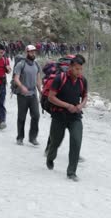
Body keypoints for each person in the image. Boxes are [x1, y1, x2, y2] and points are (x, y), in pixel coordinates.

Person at [45, 54, 88, 182]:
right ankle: (50, 157)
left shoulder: (82, 81)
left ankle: (71, 172)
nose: (79, 72)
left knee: (76, 141)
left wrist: (80, 105)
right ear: (70, 67)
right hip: (59, 116)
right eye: (76, 69)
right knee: (55, 142)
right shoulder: (60, 78)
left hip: (75, 116)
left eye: (81, 69)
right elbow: (51, 97)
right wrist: (67, 105)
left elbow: (85, 96)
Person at [13, 45, 42, 146]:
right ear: (27, 52)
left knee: (36, 116)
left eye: (34, 52)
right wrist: (21, 87)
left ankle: (32, 137)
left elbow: (38, 80)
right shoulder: (21, 64)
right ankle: (20, 137)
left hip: (33, 94)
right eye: (31, 52)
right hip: (22, 94)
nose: (33, 54)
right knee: (21, 117)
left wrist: (41, 91)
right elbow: (16, 78)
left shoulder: (37, 65)